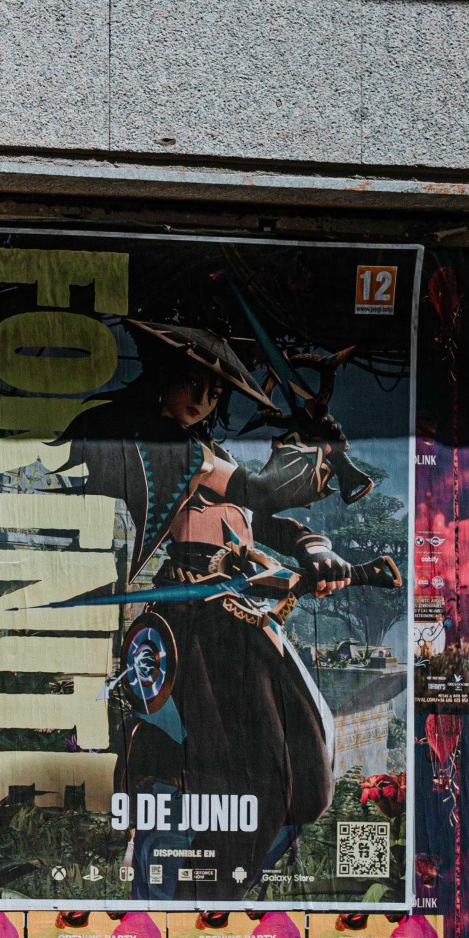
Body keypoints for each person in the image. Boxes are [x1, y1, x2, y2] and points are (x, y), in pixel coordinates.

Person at [62, 320, 355, 898]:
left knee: (310, 781)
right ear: (162, 379)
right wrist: (308, 449)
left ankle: (214, 884)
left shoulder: (205, 452)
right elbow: (260, 490)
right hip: (191, 622)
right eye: (191, 383)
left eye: (214, 392)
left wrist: (314, 548)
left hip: (243, 617)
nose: (202, 398)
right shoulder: (156, 444)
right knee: (250, 779)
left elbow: (262, 514)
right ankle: (202, 899)